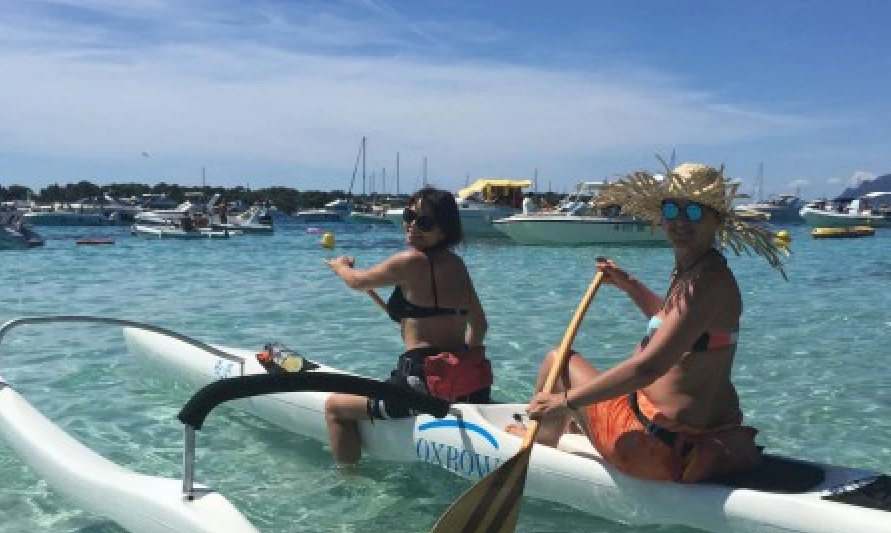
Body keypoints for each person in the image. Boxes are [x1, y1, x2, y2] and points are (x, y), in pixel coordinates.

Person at [524, 161, 787, 484]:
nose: (679, 221)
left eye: (692, 212)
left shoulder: (703, 283)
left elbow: (649, 368)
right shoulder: (699, 271)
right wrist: (629, 284)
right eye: (671, 210)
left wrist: (561, 401)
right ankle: (569, 422)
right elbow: (673, 325)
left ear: (715, 220)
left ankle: (539, 454)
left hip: (657, 445)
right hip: (697, 435)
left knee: (557, 363)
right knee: (583, 391)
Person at [324, 187, 492, 465]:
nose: (413, 225)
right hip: (468, 386)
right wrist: (461, 369)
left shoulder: (409, 261)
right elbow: (480, 325)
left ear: (443, 231)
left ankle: (348, 483)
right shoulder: (458, 266)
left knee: (335, 408)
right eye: (409, 216)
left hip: (421, 386)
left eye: (424, 222)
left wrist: (340, 266)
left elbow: (357, 282)